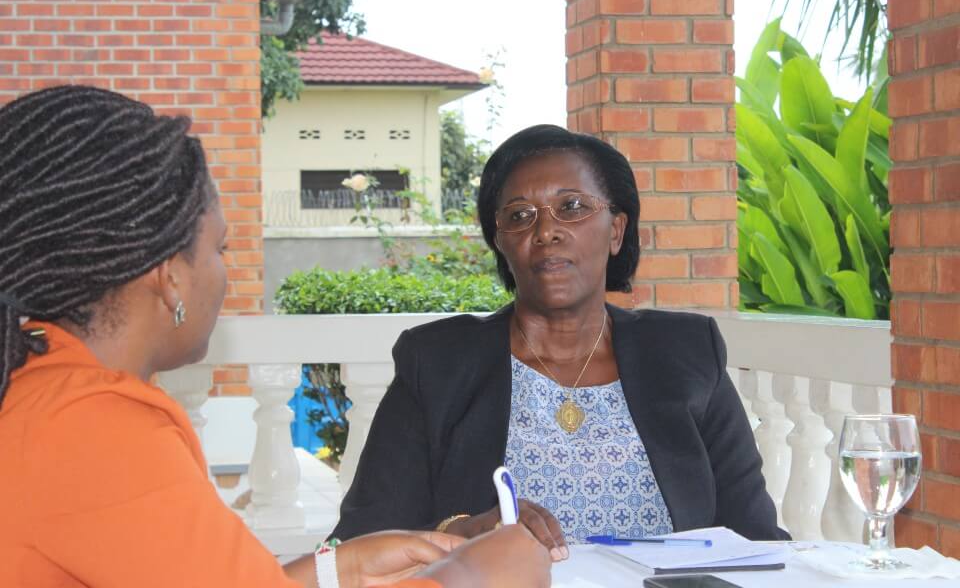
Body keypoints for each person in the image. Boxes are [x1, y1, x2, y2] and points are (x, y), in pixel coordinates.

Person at [0, 85, 552, 588]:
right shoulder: (95, 429)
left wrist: (340, 569)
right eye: (219, 249)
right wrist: (471, 580)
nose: (227, 273)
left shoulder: (42, 389)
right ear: (169, 276)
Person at [333, 124, 787, 554]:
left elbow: (754, 533)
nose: (545, 230)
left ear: (616, 230)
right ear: (501, 243)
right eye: (520, 215)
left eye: (572, 207)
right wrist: (464, 530)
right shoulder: (436, 363)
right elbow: (362, 539)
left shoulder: (686, 351)